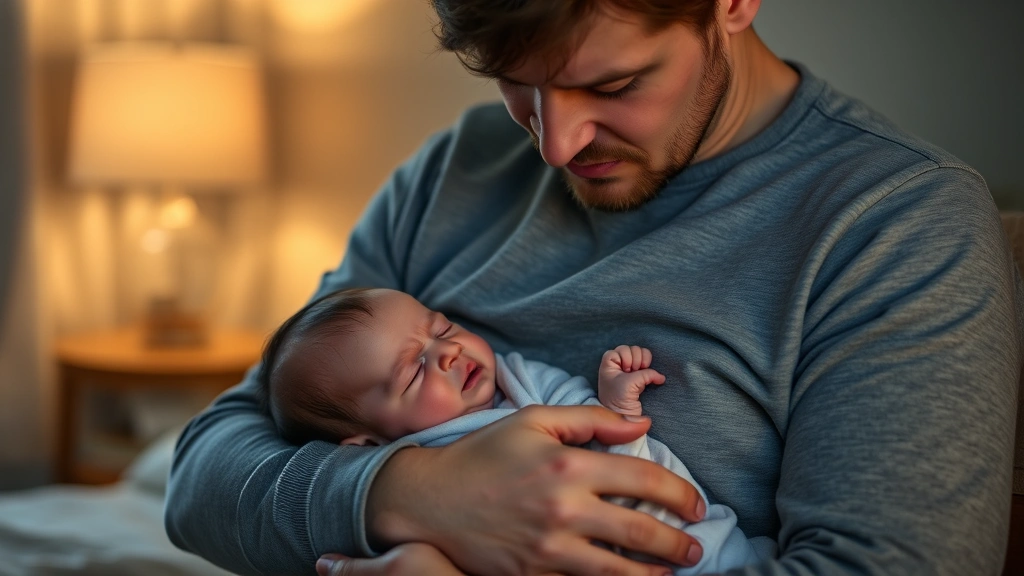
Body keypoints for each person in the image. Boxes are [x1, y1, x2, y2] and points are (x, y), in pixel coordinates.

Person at [165, 1, 1023, 575]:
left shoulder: (892, 221)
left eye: (612, 86)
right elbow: (203, 476)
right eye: (518, 86)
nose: (554, 146)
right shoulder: (456, 169)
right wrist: (408, 497)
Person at [260, 286, 776, 574]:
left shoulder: (520, 377)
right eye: (414, 371)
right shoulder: (417, 461)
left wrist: (615, 404)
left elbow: (596, 421)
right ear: (368, 446)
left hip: (698, 538)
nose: (449, 353)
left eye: (441, 329)